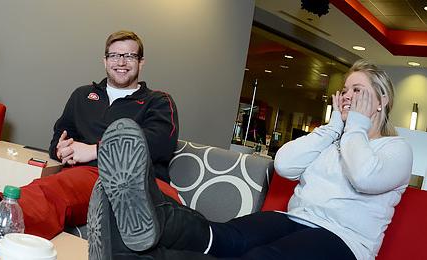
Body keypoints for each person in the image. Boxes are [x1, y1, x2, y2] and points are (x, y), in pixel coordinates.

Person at [88, 59, 413, 260]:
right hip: (296, 219)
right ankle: (150, 213)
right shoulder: (334, 139)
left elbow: (364, 177)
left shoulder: (395, 150)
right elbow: (284, 165)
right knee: (225, 236)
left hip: (342, 241)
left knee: (261, 256)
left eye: (358, 92)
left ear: (382, 100)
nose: (347, 98)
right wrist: (331, 128)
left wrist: (354, 125)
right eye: (345, 91)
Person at [13, 30, 182, 240]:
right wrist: (62, 149)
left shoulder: (158, 101)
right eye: (114, 55)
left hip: (141, 181)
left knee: (61, 187)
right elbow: (60, 136)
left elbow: (160, 144)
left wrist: (94, 151)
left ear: (141, 62)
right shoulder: (82, 95)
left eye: (129, 56)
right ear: (105, 60)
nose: (121, 62)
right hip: (86, 179)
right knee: (55, 187)